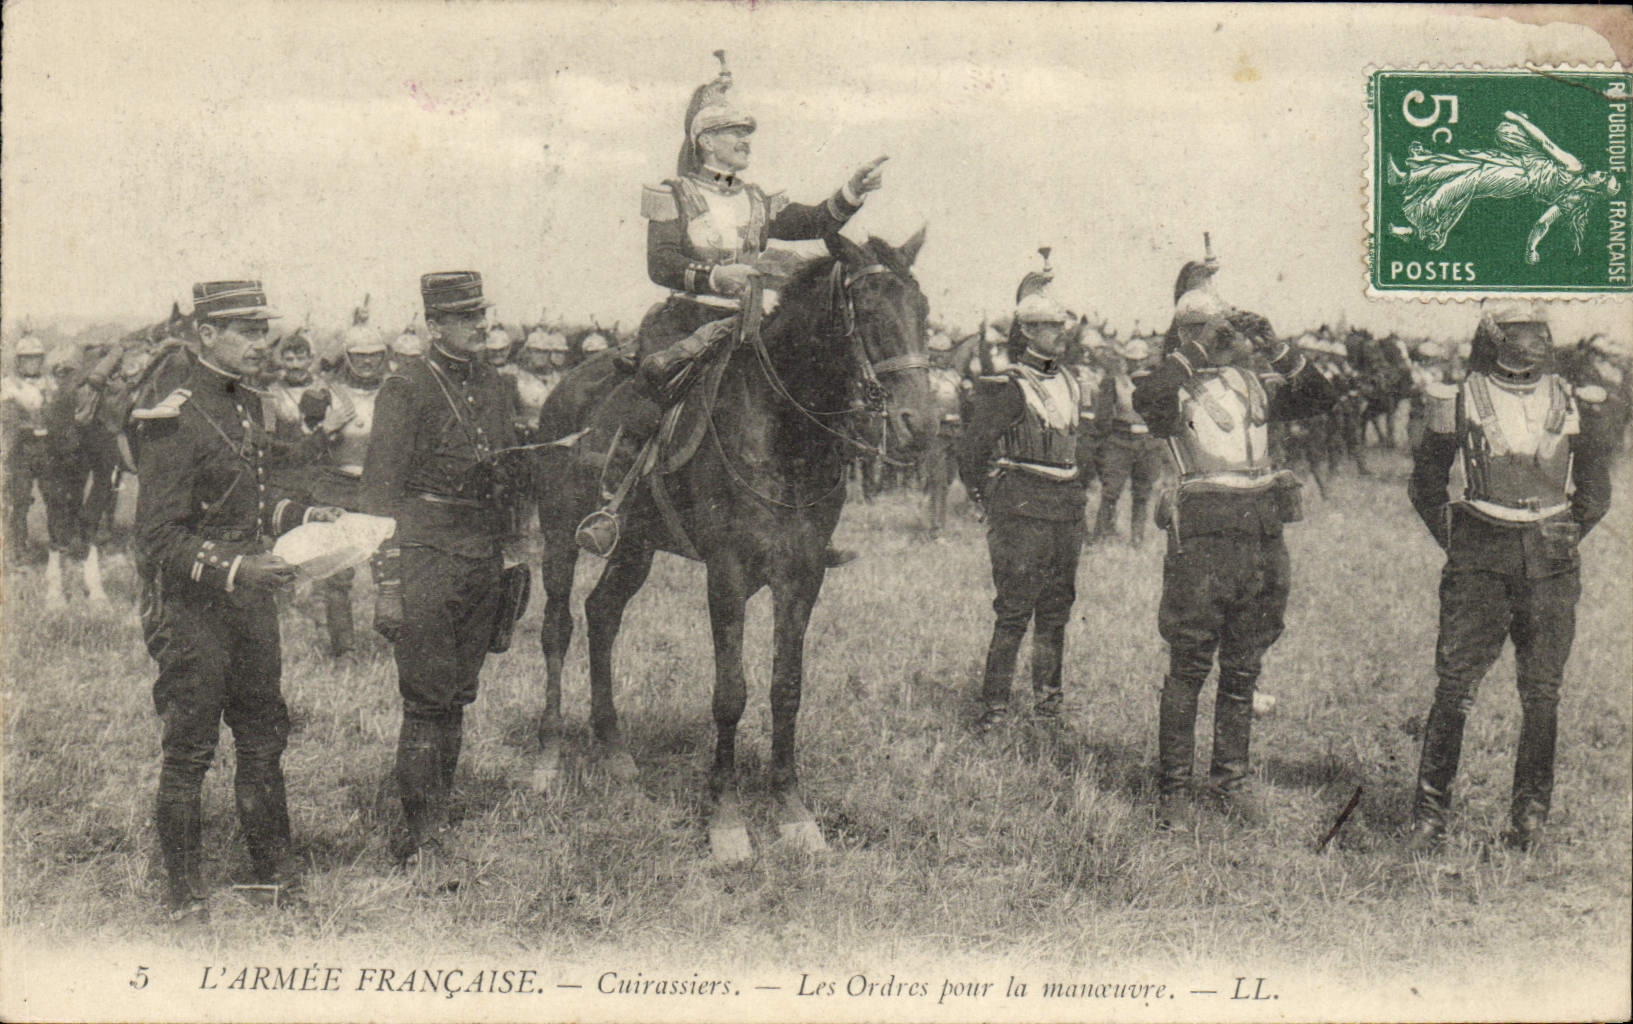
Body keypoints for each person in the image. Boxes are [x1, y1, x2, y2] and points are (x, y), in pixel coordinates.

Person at [578, 52, 886, 551]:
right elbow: (661, 263)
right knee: (658, 383)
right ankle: (615, 501)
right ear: (705, 142)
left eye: (747, 133)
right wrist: (715, 275)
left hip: (745, 325)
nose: (745, 141)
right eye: (734, 133)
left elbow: (813, 223)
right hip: (685, 319)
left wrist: (850, 191)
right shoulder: (671, 192)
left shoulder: (756, 199)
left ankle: (799, 523)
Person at [132, 281, 343, 922]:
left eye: (262, 329)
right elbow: (158, 536)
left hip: (249, 604)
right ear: (206, 336)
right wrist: (237, 567)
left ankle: (276, 873)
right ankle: (184, 894)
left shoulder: (248, 406)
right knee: (191, 748)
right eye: (247, 331)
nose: (262, 343)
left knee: (262, 737)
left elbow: (250, 501)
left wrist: (307, 512)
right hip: (194, 607)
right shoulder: (173, 416)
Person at [1404, 303, 1613, 854]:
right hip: (1479, 549)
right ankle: (1429, 817)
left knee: (1542, 693)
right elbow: (1426, 485)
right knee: (1454, 687)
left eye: (1541, 333)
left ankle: (1530, 821)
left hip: (1550, 557)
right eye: (1523, 334)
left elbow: (1595, 493)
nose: (1537, 344)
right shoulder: (1456, 397)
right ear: (1495, 337)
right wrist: (1463, 543)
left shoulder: (1575, 399)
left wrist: (1561, 538)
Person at [1133, 283, 1335, 829]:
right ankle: (1173, 787)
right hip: (1202, 537)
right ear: (1185, 335)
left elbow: (1321, 398)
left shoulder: (1254, 383)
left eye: (1228, 329)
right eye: (1210, 329)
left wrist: (1277, 346)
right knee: (1190, 663)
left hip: (1262, 534)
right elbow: (1148, 402)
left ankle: (1230, 780)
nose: (1226, 339)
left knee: (1244, 666)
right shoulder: (1171, 386)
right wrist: (1197, 347)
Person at [361, 271, 520, 872]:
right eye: (466, 317)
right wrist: (389, 585)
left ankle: (438, 811)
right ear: (434, 326)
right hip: (425, 554)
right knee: (427, 699)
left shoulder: (496, 385)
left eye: (482, 314)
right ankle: (421, 835)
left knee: (457, 693)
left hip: (480, 553)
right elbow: (378, 496)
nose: (481, 326)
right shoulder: (405, 389)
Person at [958, 285, 1085, 732]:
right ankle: (994, 707)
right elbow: (971, 451)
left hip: (1066, 508)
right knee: (1014, 610)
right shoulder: (1006, 384)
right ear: (1028, 330)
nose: (1060, 334)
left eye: (1062, 325)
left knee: (1057, 608)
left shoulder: (1072, 380)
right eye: (1051, 326)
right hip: (1022, 506)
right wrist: (986, 498)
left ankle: (1048, 703)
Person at [1388, 110, 1621, 264]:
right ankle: (1407, 178)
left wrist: (1520, 120)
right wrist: (1531, 249)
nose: (1600, 172)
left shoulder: (1575, 167)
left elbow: (1545, 143)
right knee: (1464, 165)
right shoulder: (1574, 198)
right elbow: (1543, 223)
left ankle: (1416, 229)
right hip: (1519, 163)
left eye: (1603, 177)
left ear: (1597, 187)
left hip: (1518, 178)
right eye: (1604, 173)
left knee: (1465, 181)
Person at [307, 324, 388, 657]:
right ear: (348, 357)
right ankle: (345, 649)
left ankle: (399, 645)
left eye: (374, 356)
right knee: (338, 575)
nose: (367, 363)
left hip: (379, 489)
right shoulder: (327, 393)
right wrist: (327, 428)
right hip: (338, 488)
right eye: (359, 356)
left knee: (391, 573)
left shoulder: (395, 392)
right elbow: (306, 447)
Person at [1091, 337, 1166, 547]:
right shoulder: (1114, 382)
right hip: (1121, 441)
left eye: (1141, 360)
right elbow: (1102, 417)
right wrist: (1109, 440)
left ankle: (1137, 538)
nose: (1138, 364)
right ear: (1126, 360)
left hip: (1148, 443)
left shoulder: (1156, 382)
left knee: (1142, 493)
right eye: (1133, 360)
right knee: (1111, 491)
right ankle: (1100, 535)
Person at [3, 334, 53, 566]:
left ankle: (58, 546)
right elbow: (6, 418)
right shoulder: (9, 385)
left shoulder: (50, 382)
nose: (32, 363)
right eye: (27, 359)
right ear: (19, 361)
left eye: (36, 359)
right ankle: (19, 550)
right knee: (20, 501)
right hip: (21, 450)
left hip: (45, 449)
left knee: (54, 497)